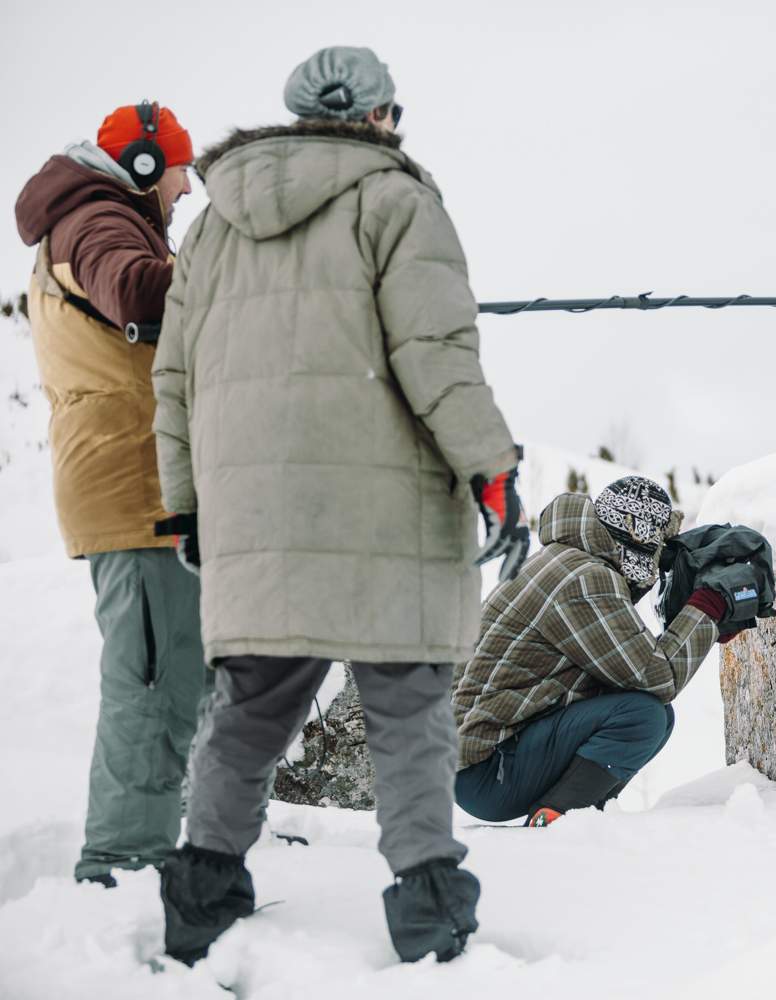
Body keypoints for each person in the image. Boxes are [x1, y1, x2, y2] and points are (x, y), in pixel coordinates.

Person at [151, 46, 527, 965]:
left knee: (248, 709)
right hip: (379, 509)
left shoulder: (211, 228)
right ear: (382, 118)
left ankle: (199, 898)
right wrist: (492, 470)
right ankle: (430, 908)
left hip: (254, 515)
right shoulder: (399, 201)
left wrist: (188, 504)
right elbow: (435, 353)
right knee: (407, 709)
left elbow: (174, 378)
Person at [14, 102, 210, 887]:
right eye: (179, 173)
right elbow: (134, 291)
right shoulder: (97, 222)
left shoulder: (96, 217)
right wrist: (232, 272)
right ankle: (124, 861)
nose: (186, 190)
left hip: (150, 486)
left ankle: (189, 834)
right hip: (134, 488)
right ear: (141, 168)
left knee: (186, 673)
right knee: (153, 683)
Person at [453, 477, 747, 826]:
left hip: (477, 763)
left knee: (654, 715)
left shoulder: (563, 560)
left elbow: (627, 667)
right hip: (487, 773)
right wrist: (709, 605)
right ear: (636, 538)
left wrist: (705, 626)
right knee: (643, 717)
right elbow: (658, 677)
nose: (659, 560)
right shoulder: (586, 578)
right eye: (659, 547)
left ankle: (582, 816)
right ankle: (558, 818)